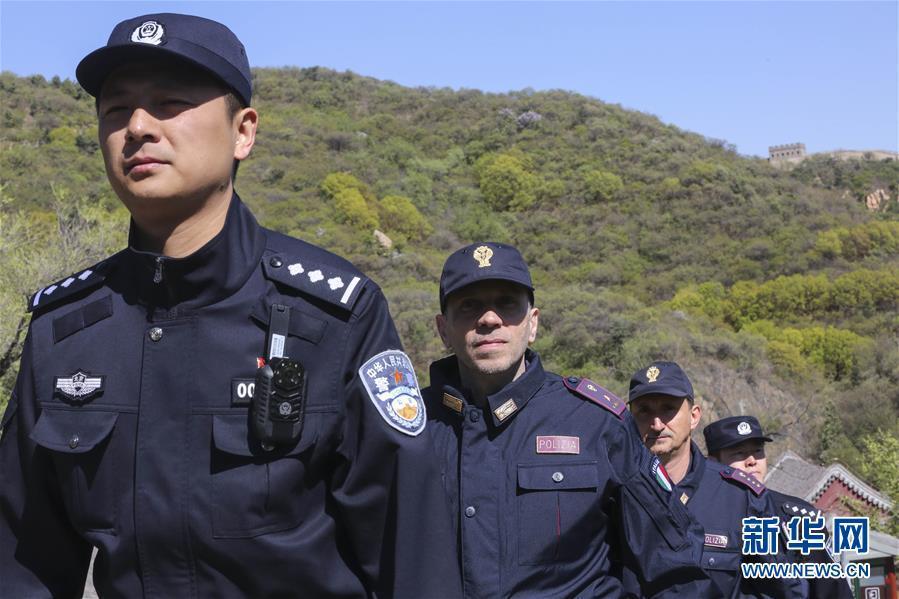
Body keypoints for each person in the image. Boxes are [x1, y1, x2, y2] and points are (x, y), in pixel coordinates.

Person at [0, 13, 461, 598]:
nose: (138, 126)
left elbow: (412, 559)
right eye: (116, 109)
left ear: (243, 131)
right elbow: (22, 564)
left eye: (170, 103)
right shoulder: (65, 331)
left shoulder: (334, 316)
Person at [423, 242, 711, 598]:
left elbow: (675, 564)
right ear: (443, 329)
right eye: (469, 306)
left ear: (533, 324)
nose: (489, 318)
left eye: (508, 303)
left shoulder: (596, 423)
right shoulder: (408, 429)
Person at [628, 361, 807, 598]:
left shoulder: (742, 499)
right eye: (644, 411)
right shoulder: (611, 494)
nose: (657, 423)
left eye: (668, 409)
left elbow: (781, 591)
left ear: (694, 416)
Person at [704, 416, 854, 599]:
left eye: (758, 451)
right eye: (739, 453)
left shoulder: (798, 518)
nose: (752, 460)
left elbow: (832, 588)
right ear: (712, 462)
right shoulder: (698, 517)